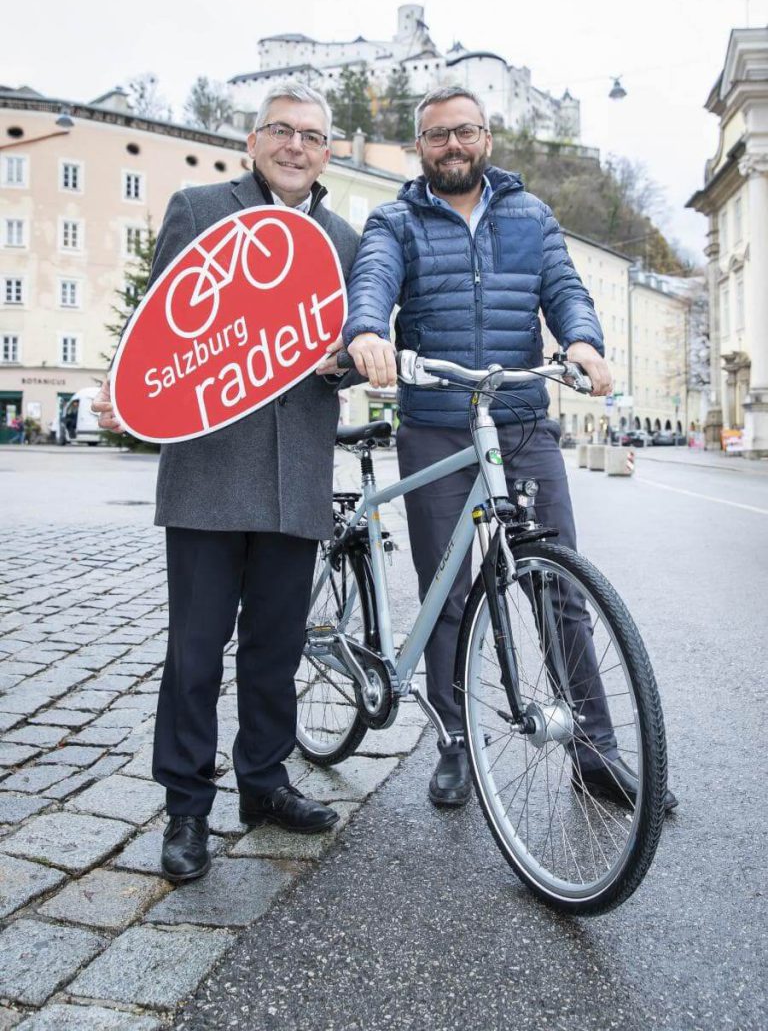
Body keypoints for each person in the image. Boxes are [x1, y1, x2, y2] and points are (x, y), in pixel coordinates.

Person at [344, 85, 676, 812]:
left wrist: (583, 341)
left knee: (559, 587)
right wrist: (367, 332)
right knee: (449, 593)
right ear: (419, 147)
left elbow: (564, 290)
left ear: (488, 138)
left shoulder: (531, 216)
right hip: (434, 422)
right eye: (437, 136)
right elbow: (371, 283)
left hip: (521, 421)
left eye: (465, 132)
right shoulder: (395, 219)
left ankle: (597, 748)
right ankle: (457, 741)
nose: (452, 145)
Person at [92, 83, 359, 883]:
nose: (295, 146)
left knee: (276, 654)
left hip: (298, 474)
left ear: (328, 151)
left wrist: (343, 361)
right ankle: (185, 809)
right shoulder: (200, 207)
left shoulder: (344, 239)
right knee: (196, 653)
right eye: (281, 130)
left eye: (311, 135)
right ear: (253, 139)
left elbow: (351, 350)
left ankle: (265, 784)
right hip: (209, 470)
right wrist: (125, 392)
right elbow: (159, 327)